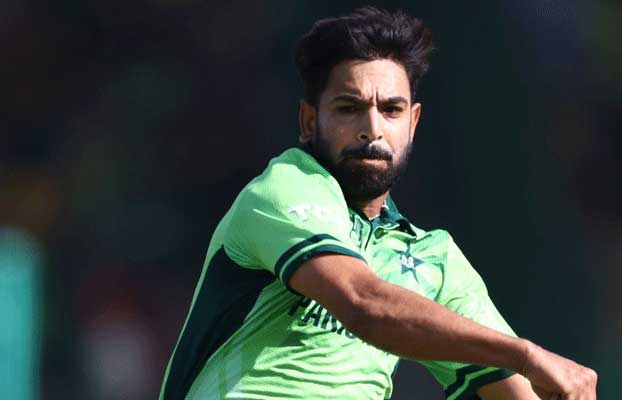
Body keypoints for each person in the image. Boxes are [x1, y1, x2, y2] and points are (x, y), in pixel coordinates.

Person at [160, 7, 597, 400]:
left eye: (391, 109)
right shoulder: (285, 187)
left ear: (414, 122)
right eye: (349, 108)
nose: (372, 128)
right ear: (309, 122)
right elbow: (364, 304)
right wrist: (526, 354)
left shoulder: (435, 262)